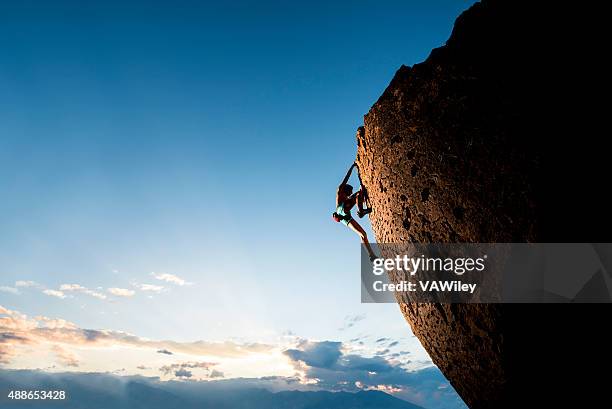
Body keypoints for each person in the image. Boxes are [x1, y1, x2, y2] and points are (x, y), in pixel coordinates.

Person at [334, 162, 377, 261]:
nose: (350, 194)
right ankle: (361, 212)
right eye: (350, 192)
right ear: (346, 190)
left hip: (345, 218)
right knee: (358, 194)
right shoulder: (340, 191)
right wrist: (352, 167)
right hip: (340, 210)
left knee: (363, 234)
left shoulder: (347, 197)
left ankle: (371, 255)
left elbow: (357, 195)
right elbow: (346, 178)